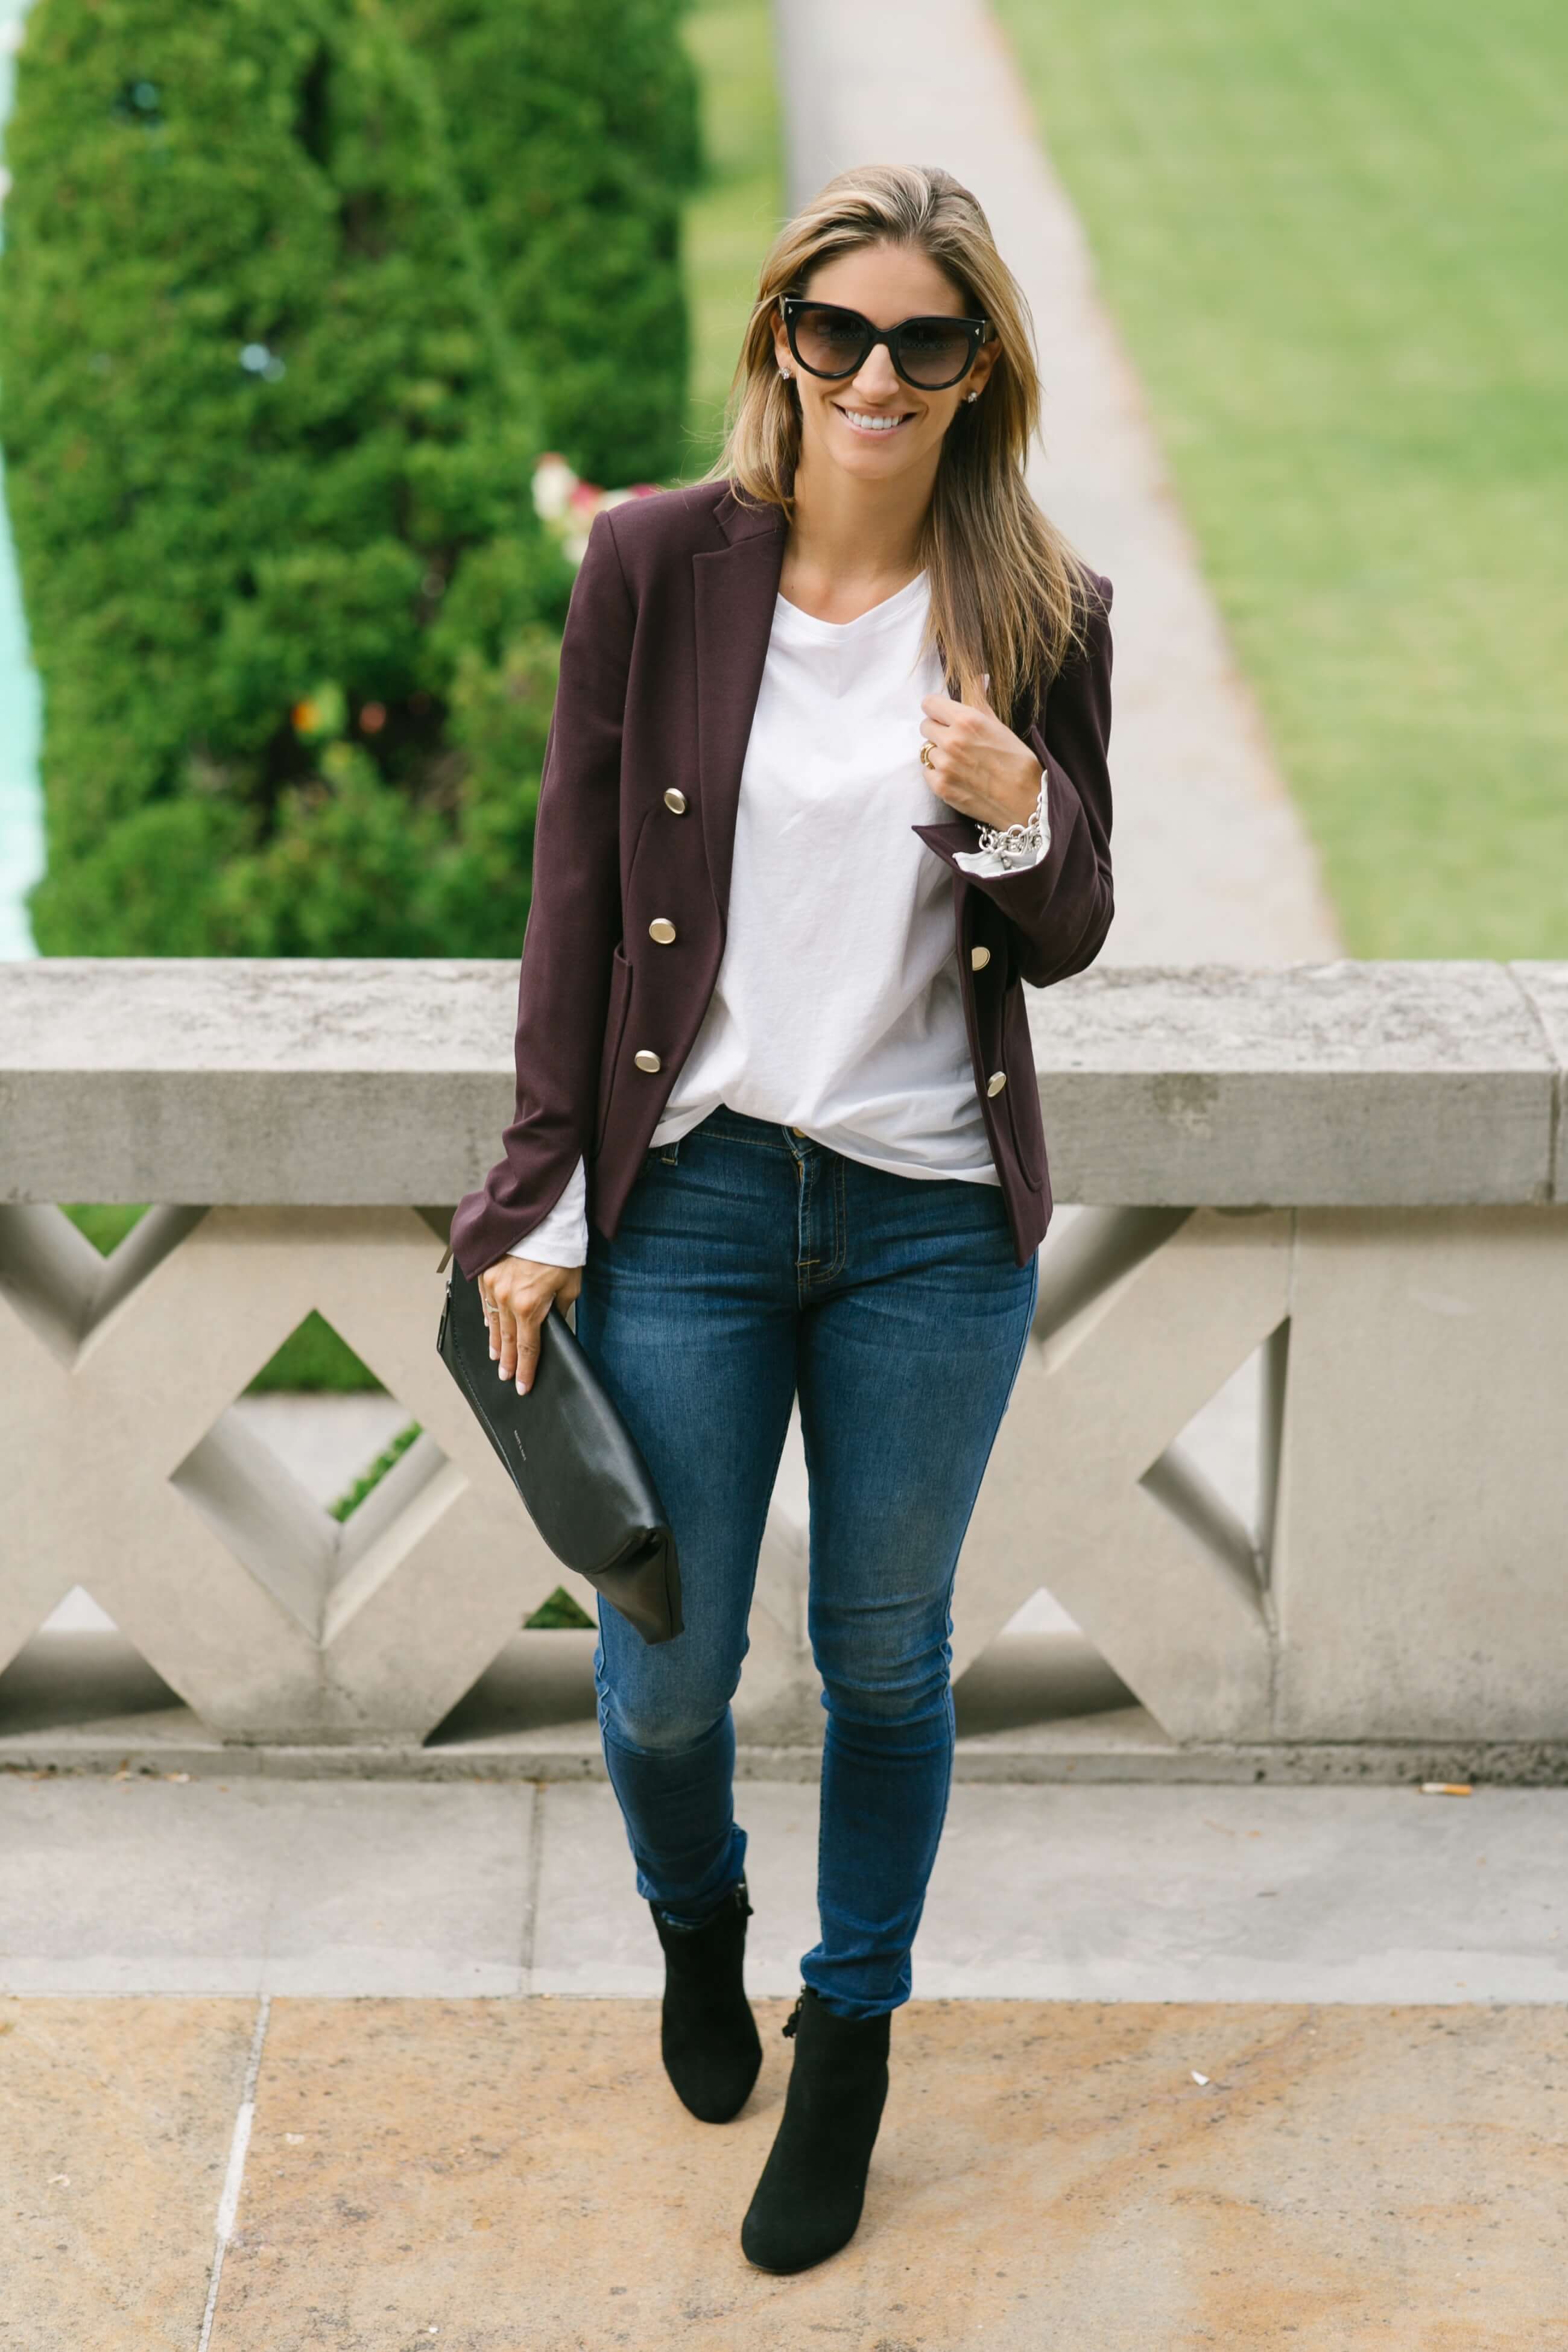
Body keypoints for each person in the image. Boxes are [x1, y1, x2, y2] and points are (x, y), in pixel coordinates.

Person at [449, 160, 1114, 2274]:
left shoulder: (1044, 610)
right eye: (840, 331)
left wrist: (1021, 814)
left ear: (980, 363)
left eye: (925, 337)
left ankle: (852, 2033)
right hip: (699, 1200)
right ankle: (696, 1913)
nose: (876, 374)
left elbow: (1077, 924)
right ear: (782, 343)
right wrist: (536, 1194)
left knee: (887, 1660)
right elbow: (572, 905)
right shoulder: (655, 564)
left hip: (933, 1220)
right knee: (662, 1676)